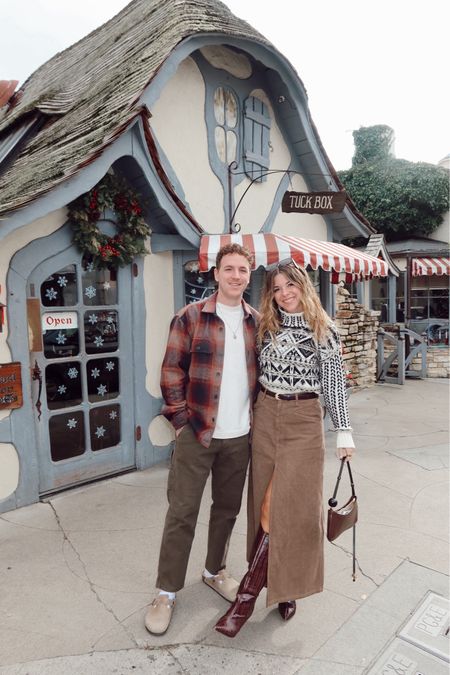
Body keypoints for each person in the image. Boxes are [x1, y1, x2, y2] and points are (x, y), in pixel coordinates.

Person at [215, 258, 355, 638]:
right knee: (263, 502)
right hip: (265, 414)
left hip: (303, 420)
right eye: (276, 289)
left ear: (302, 285)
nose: (284, 294)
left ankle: (245, 599)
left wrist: (343, 430)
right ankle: (283, 586)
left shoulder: (322, 329)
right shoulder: (265, 326)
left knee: (284, 508)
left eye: (289, 285)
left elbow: (334, 384)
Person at [145, 243, 259, 636]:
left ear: (249, 275)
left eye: (242, 270)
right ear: (216, 274)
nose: (236, 276)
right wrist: (180, 422)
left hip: (240, 437)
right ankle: (165, 593)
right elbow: (171, 371)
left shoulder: (257, 322)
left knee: (226, 511)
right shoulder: (189, 317)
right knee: (182, 513)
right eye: (229, 269)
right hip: (198, 433)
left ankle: (215, 571)